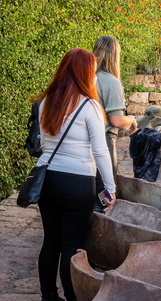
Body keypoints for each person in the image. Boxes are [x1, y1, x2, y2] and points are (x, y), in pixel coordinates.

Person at [34, 48, 116, 301]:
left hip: (47, 179)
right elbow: (101, 152)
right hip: (77, 181)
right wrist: (110, 188)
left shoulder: (46, 101)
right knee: (71, 246)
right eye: (92, 72)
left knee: (51, 242)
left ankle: (49, 295)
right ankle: (73, 297)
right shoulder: (90, 105)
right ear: (84, 73)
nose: (94, 77)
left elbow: (43, 142)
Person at [92, 36, 137, 212]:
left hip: (85, 139)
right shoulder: (111, 81)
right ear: (114, 56)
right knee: (105, 193)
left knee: (91, 184)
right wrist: (132, 119)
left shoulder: (87, 77)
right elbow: (116, 121)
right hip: (104, 138)